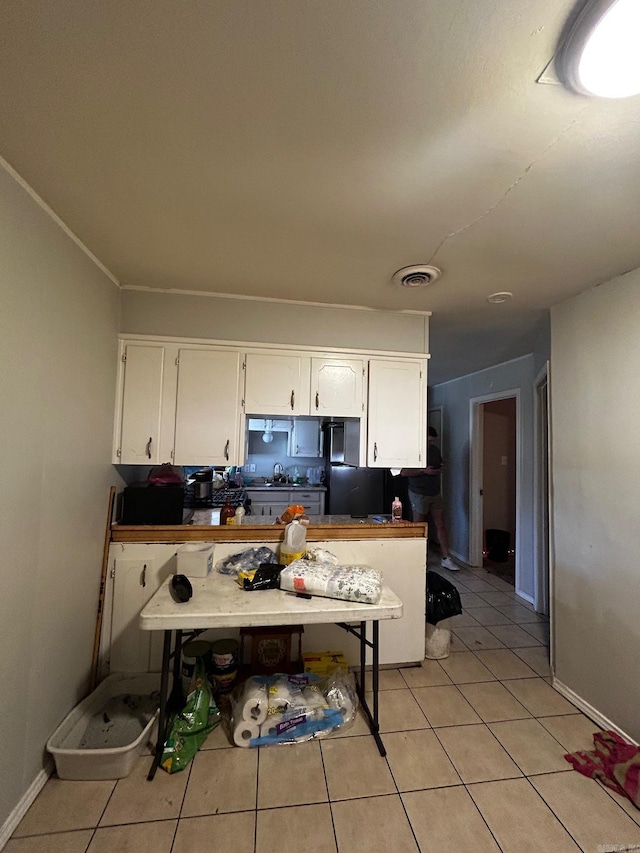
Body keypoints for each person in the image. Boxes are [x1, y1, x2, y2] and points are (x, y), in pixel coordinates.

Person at [400, 427, 458, 571]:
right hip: (418, 493)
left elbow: (439, 462)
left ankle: (446, 558)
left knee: (440, 525)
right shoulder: (412, 451)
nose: (431, 443)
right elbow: (403, 472)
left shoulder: (435, 450)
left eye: (433, 440)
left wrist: (440, 467)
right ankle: (419, 559)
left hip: (435, 492)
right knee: (419, 527)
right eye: (429, 440)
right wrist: (423, 470)